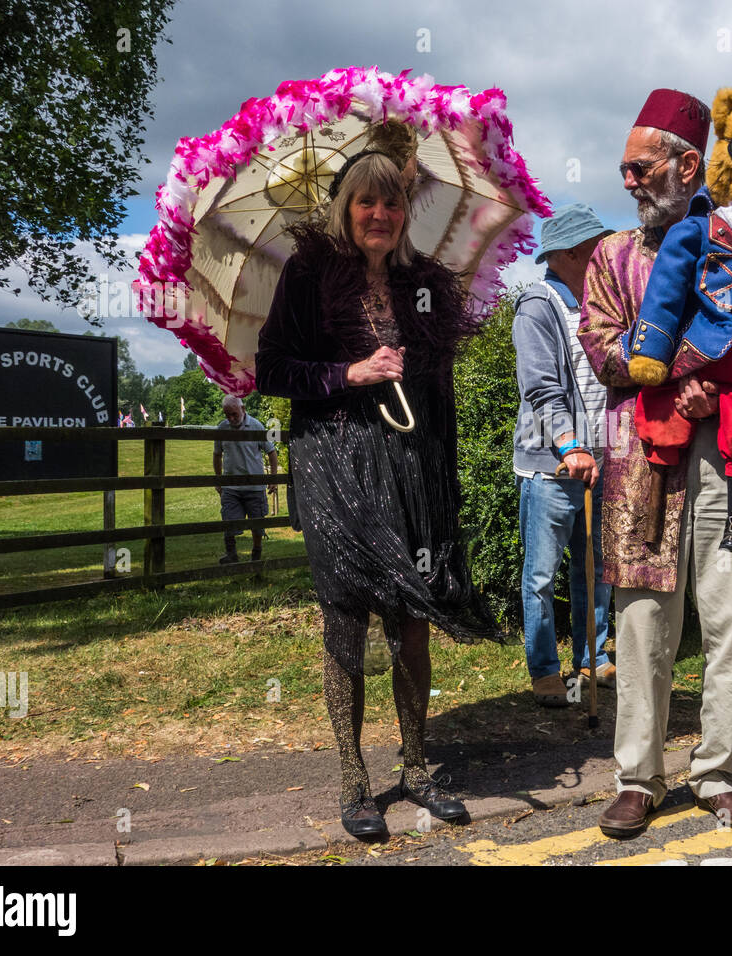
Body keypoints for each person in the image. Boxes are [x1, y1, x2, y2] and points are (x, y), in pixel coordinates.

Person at [255, 137, 504, 841]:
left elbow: (441, 392)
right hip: (334, 463)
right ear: (345, 206)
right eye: (366, 199)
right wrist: (348, 375)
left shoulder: (422, 281)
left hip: (412, 463)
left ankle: (419, 766)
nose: (380, 211)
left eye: (392, 200)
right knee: (348, 617)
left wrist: (446, 480)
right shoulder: (309, 273)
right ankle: (353, 779)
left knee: (413, 617)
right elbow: (271, 369)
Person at [579, 88, 732, 838]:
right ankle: (638, 779)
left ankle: (720, 774)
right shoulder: (612, 255)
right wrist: (682, 364)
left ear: (688, 165)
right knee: (642, 621)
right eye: (623, 168)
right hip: (642, 460)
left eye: (640, 167)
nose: (630, 180)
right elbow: (601, 346)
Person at [512, 203, 615, 707]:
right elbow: (540, 388)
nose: (606, 254)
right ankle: (545, 669)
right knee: (541, 573)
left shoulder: (598, 305)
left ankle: (593, 656)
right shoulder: (538, 305)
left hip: (600, 460)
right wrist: (570, 445)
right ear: (573, 253)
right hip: (553, 465)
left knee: (595, 569)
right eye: (598, 246)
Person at [213, 394, 278, 564]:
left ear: (243, 409)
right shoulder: (222, 428)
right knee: (228, 520)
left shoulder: (256, 426)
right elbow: (217, 455)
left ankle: (256, 557)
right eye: (227, 415)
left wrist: (273, 478)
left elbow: (271, 452)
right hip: (231, 487)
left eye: (234, 414)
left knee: (257, 525)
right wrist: (218, 480)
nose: (231, 418)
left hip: (255, 487)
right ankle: (231, 554)